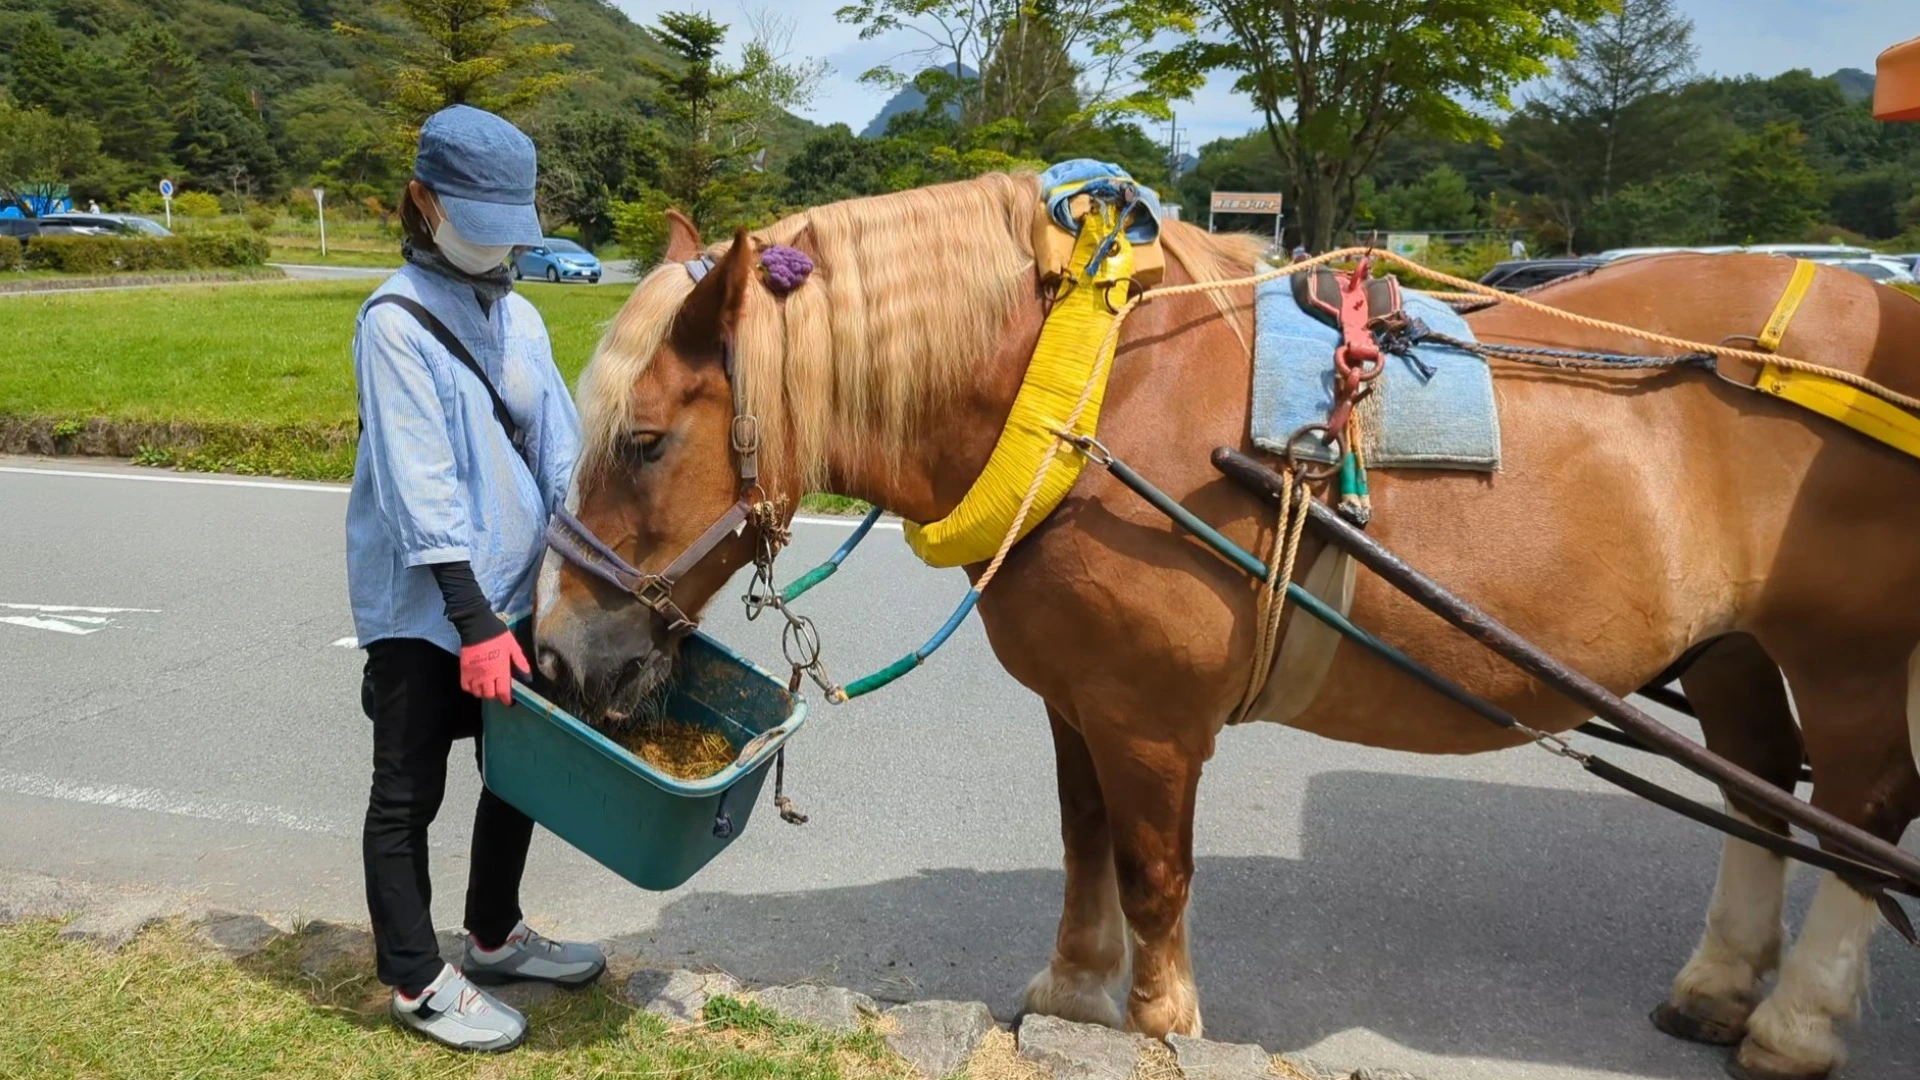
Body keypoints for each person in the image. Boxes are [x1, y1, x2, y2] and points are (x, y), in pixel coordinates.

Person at [346, 104, 597, 1054]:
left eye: (509, 228)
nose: (497, 247)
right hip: (426, 604)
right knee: (408, 790)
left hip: (515, 592)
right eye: (479, 224)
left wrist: (575, 581)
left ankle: (492, 935)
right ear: (423, 202)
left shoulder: (520, 313)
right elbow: (418, 484)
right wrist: (474, 621)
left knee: (518, 774)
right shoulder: (393, 322)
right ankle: (414, 978)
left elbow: (560, 454)